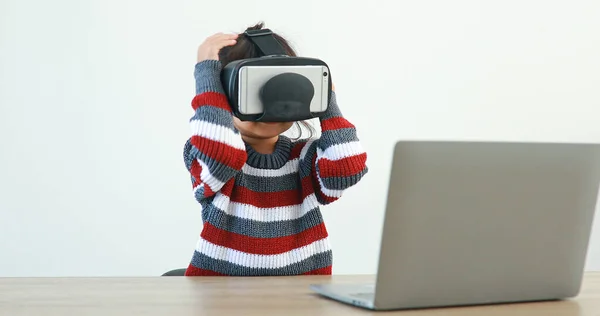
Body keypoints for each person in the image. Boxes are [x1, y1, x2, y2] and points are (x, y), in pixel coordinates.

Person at [183, 23, 368, 276]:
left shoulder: (305, 157)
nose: (272, 100)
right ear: (220, 94)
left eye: (283, 88)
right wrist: (207, 75)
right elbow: (223, 154)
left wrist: (328, 102)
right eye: (252, 90)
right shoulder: (205, 154)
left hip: (301, 295)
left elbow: (346, 169)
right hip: (221, 294)